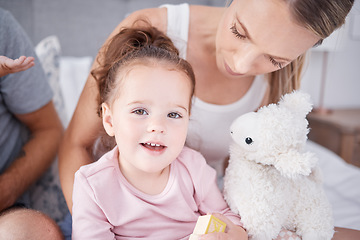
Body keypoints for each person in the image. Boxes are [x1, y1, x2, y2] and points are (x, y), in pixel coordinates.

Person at [59, 0, 358, 239]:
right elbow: (77, 145)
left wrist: (237, 231)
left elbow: (242, 181)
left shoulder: (193, 170)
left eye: (274, 60)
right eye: (240, 32)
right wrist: (99, 217)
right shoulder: (148, 30)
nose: (240, 64)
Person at [71, 24, 247, 239]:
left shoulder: (193, 167)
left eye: (173, 115)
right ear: (109, 120)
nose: (157, 126)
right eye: (140, 110)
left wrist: (234, 234)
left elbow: (226, 217)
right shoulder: (92, 185)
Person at [0, 8, 64, 239]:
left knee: (37, 231)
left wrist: (5, 191)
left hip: (6, 209)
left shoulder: (2, 28)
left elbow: (50, 131)